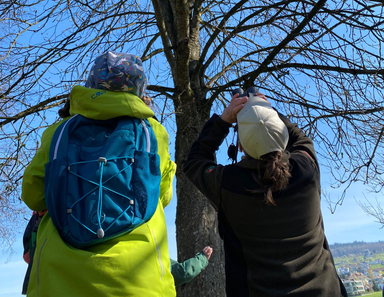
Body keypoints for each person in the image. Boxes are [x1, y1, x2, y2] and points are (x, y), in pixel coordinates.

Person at [22, 51, 177, 297]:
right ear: (139, 89)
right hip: (139, 282)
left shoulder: (58, 133)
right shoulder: (154, 133)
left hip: (59, 282)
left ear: (92, 84)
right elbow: (163, 194)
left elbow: (33, 195)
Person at [184, 90, 348, 297]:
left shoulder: (227, 184)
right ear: (282, 133)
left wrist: (224, 120)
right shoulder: (306, 169)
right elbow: (300, 138)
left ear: (241, 145)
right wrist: (264, 109)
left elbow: (195, 162)